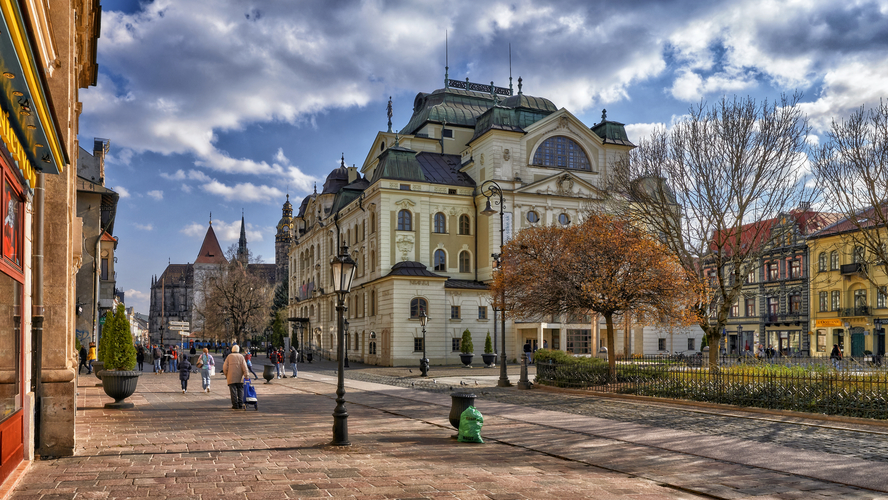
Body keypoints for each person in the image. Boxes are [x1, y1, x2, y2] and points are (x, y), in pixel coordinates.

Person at [223, 345, 249, 409]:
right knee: (240, 390)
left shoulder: (229, 357)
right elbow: (245, 367)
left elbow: (224, 367)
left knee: (233, 391)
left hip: (231, 377)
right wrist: (246, 375)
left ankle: (235, 405)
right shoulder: (241, 357)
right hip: (240, 377)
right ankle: (240, 403)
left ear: (232, 350)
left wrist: (226, 374)